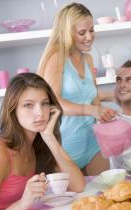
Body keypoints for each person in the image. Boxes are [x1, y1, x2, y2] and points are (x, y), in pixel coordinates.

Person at [0, 73, 85, 210]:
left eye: (45, 103)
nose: (40, 113)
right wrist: (21, 205)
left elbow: (78, 185)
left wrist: (49, 137)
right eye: (28, 105)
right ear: (12, 110)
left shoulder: (38, 145)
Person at [38, 2, 116, 175]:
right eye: (82, 32)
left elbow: (93, 99)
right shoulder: (56, 59)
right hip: (64, 145)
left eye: (92, 30)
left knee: (103, 195)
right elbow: (53, 102)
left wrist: (103, 113)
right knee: (72, 200)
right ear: (66, 33)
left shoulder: (88, 59)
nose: (89, 37)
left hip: (92, 142)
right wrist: (91, 110)